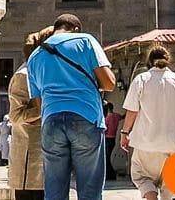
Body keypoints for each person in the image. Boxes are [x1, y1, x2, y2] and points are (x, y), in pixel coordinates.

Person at [27, 13, 116, 200]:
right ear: (76, 29)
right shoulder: (85, 41)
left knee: (54, 190)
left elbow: (39, 102)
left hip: (51, 120)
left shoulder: (34, 57)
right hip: (86, 116)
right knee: (90, 190)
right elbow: (109, 83)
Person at [119, 45, 175, 200]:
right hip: (172, 142)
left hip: (146, 142)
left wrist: (125, 132)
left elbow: (132, 110)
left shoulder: (141, 79)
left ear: (149, 60)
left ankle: (151, 197)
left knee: (142, 177)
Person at [8, 26, 54, 200]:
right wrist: (46, 108)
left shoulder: (48, 72)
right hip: (30, 159)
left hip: (49, 154)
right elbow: (16, 115)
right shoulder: (24, 75)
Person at [103, 101, 120, 181]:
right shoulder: (117, 116)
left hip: (107, 139)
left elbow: (104, 129)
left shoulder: (108, 117)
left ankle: (110, 175)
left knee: (106, 158)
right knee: (108, 157)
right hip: (113, 139)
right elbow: (123, 116)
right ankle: (110, 175)